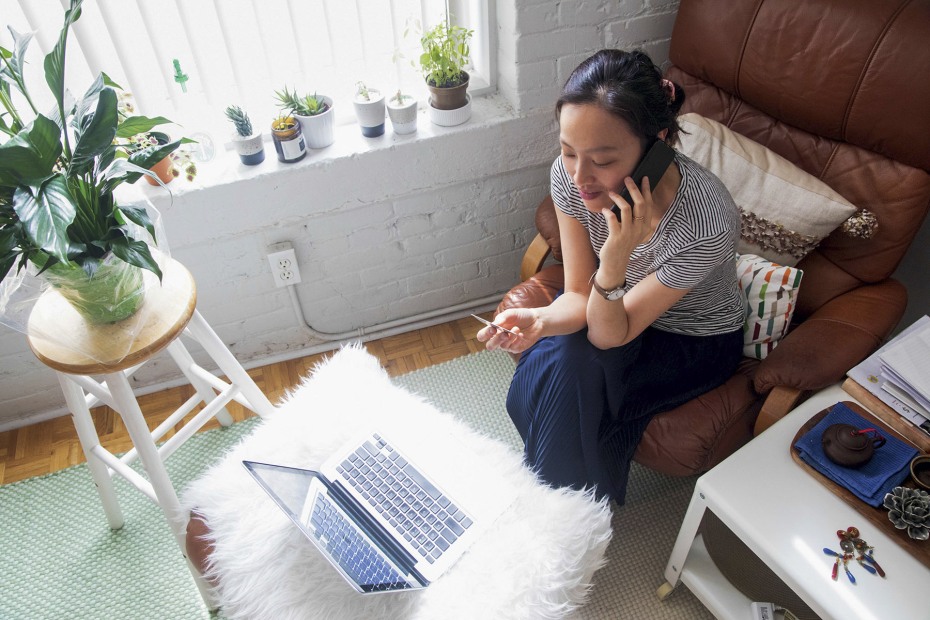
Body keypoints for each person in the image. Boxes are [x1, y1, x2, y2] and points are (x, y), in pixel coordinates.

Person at [478, 49, 744, 504]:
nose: (580, 177)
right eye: (568, 152)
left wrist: (617, 253)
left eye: (602, 160)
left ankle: (556, 509)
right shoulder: (570, 177)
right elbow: (579, 293)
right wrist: (540, 321)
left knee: (574, 364)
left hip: (690, 338)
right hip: (612, 310)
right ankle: (563, 506)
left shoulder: (706, 224)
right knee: (559, 356)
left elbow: (607, 335)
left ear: (657, 142)